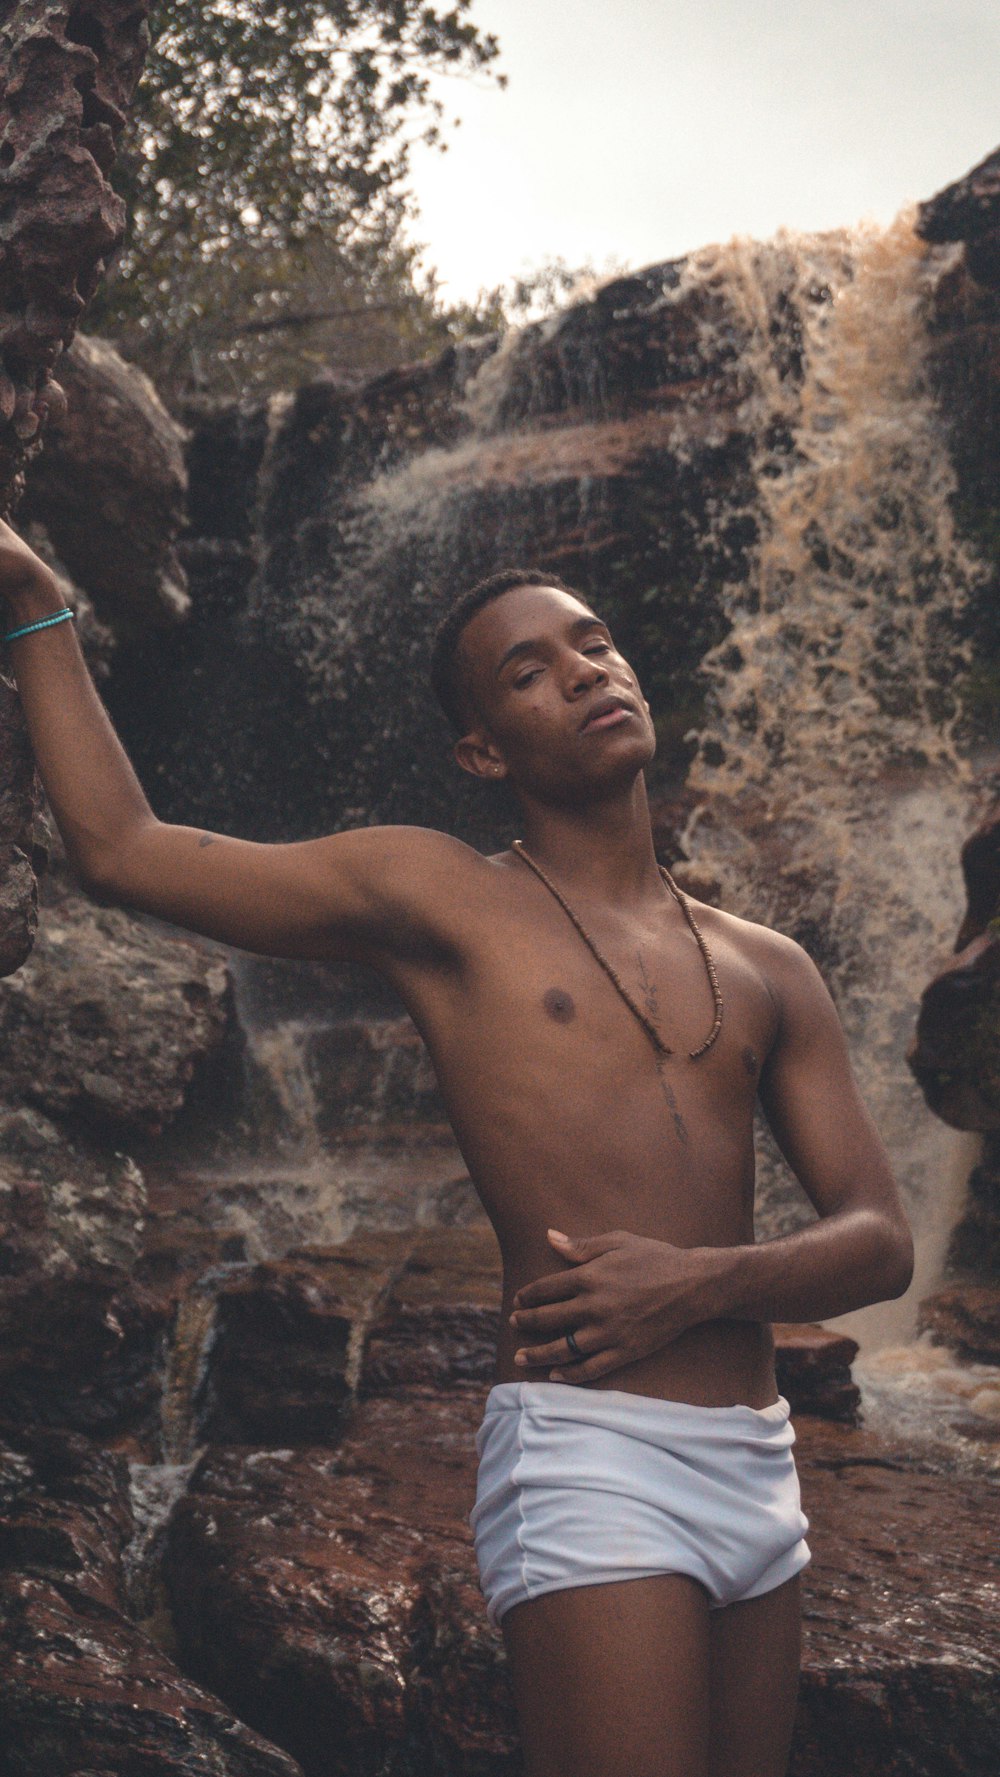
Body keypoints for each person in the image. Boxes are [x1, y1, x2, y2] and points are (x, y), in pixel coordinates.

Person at [0, 524, 913, 1777]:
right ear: (481, 749)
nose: (587, 670)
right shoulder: (440, 899)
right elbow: (123, 851)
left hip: (758, 1465)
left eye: (595, 642)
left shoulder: (768, 965)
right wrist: (39, 598)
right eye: (531, 669)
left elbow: (879, 1239)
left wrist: (703, 1279)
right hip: (591, 1459)